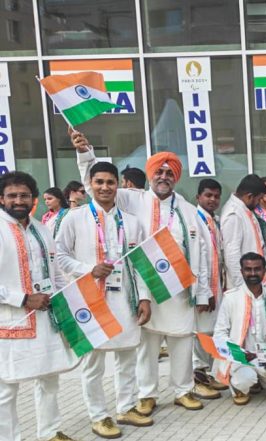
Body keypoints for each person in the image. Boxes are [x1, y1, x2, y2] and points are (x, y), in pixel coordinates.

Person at [71, 130, 211, 414]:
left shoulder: (187, 209)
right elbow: (96, 181)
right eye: (158, 172)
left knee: (182, 340)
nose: (163, 176)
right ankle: (147, 394)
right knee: (147, 343)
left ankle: (183, 390)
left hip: (179, 287)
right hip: (142, 287)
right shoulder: (132, 198)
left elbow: (202, 252)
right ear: (149, 176)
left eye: (169, 172)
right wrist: (86, 152)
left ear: (176, 177)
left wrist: (204, 291)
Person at [54, 162, 154, 438]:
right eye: (99, 182)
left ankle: (126, 406)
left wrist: (145, 298)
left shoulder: (131, 222)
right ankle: (99, 416)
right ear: (90, 184)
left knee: (127, 355)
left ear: (117, 185)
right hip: (89, 299)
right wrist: (88, 269)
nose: (105, 187)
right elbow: (58, 256)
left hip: (126, 296)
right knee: (93, 362)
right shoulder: (74, 218)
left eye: (110, 182)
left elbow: (141, 264)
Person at [0, 171, 79, 441]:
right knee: (6, 389)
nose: (18, 200)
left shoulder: (42, 229)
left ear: (33, 199)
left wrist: (62, 298)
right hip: (9, 321)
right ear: (2, 198)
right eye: (12, 195)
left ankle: (49, 433)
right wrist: (22, 299)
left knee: (48, 377)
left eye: (24, 195)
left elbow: (55, 272)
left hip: (46, 316)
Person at [212, 253, 266, 405]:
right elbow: (219, 334)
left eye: (257, 269)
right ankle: (240, 384)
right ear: (242, 271)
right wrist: (242, 353)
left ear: (264, 270)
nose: (252, 273)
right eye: (248, 269)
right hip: (241, 359)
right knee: (246, 379)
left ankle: (262, 380)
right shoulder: (231, 298)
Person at [192, 178, 227, 400]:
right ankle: (197, 378)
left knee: (212, 332)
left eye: (216, 196)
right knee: (200, 333)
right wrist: (205, 292)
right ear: (198, 197)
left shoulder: (214, 220)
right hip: (203, 289)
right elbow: (197, 261)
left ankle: (209, 375)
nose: (212, 200)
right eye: (208, 195)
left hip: (217, 285)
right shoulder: (194, 221)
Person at [221, 174, 266, 290]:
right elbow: (232, 255)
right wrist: (242, 289)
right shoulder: (234, 214)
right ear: (250, 196)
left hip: (254, 283)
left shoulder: (244, 209)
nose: (258, 203)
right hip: (244, 286)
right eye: (258, 199)